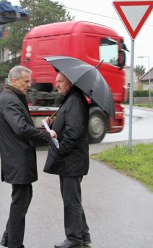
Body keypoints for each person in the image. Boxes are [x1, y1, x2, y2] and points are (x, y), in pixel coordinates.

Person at [0, 65, 56, 248]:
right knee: (20, 204)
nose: (29, 85)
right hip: (17, 160)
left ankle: (9, 239)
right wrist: (47, 135)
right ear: (14, 80)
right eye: (26, 81)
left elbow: (22, 125)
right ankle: (15, 244)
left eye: (30, 81)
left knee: (22, 200)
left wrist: (42, 125)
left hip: (17, 159)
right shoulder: (9, 100)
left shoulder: (11, 97)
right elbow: (21, 128)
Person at [43, 71, 91, 248]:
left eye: (60, 81)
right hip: (71, 160)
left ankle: (74, 239)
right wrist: (52, 123)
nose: (56, 84)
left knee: (71, 201)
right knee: (73, 199)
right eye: (56, 81)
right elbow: (67, 125)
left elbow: (74, 131)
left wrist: (61, 149)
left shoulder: (75, 101)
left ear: (70, 82)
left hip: (72, 160)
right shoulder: (70, 99)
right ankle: (83, 235)